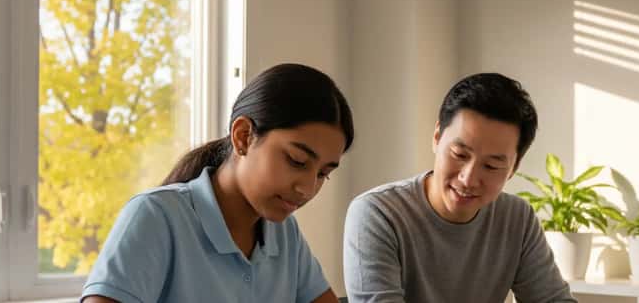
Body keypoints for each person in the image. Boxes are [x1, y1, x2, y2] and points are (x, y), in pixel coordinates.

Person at [82, 63, 354, 303]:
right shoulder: (157, 216)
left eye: (323, 174)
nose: (307, 189)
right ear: (244, 136)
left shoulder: (284, 234)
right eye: (296, 161)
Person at [343, 73, 576, 302]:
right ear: (436, 137)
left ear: (513, 168)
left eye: (492, 165)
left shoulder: (516, 218)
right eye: (459, 154)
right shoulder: (377, 214)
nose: (468, 179)